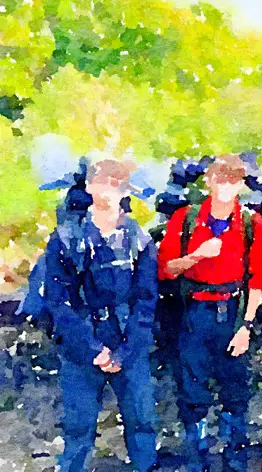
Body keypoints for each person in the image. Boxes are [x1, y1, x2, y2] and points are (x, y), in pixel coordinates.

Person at [157, 155, 262, 471]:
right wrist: (196, 255)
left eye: (232, 180)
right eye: (220, 178)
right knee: (192, 394)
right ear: (208, 180)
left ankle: (235, 462)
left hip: (233, 311)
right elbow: (166, 269)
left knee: (236, 392)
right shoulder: (186, 219)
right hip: (194, 312)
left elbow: (258, 279)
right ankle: (198, 462)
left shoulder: (253, 224)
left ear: (240, 184)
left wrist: (246, 326)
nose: (225, 185)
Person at [45, 159, 158, 472]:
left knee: (143, 424)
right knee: (78, 430)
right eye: (102, 183)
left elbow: (147, 301)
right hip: (82, 345)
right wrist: (94, 351)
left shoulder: (140, 240)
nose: (108, 192)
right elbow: (58, 301)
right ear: (90, 187)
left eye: (116, 185)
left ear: (124, 191)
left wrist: (126, 351)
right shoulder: (66, 239)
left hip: (128, 343)